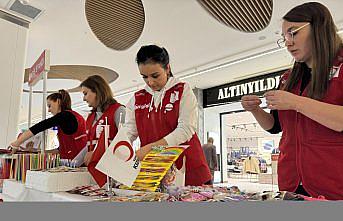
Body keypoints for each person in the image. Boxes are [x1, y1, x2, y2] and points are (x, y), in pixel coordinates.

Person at [241, 2, 343, 200]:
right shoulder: (288, 78)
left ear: (318, 27)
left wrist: (296, 102)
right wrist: (255, 110)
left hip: (333, 184)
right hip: (291, 183)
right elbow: (275, 126)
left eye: (293, 33)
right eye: (284, 37)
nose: (287, 42)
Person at [125, 44, 211, 186]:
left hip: (188, 168)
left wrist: (151, 148)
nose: (150, 82)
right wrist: (120, 150)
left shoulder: (183, 90)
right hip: (155, 172)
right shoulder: (137, 99)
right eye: (144, 77)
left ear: (167, 68)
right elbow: (129, 131)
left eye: (155, 75)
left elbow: (185, 130)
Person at [9, 89, 87, 160]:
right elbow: (60, 150)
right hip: (75, 160)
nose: (49, 110)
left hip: (76, 162)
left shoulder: (65, 116)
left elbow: (39, 127)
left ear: (58, 101)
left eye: (49, 106)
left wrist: (16, 143)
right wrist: (37, 151)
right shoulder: (70, 118)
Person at [80, 75, 125, 187]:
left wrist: (96, 154)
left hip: (112, 174)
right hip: (93, 173)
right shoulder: (90, 117)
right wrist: (72, 164)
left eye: (85, 93)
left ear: (97, 91)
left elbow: (124, 143)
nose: (83, 99)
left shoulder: (118, 111)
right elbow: (89, 146)